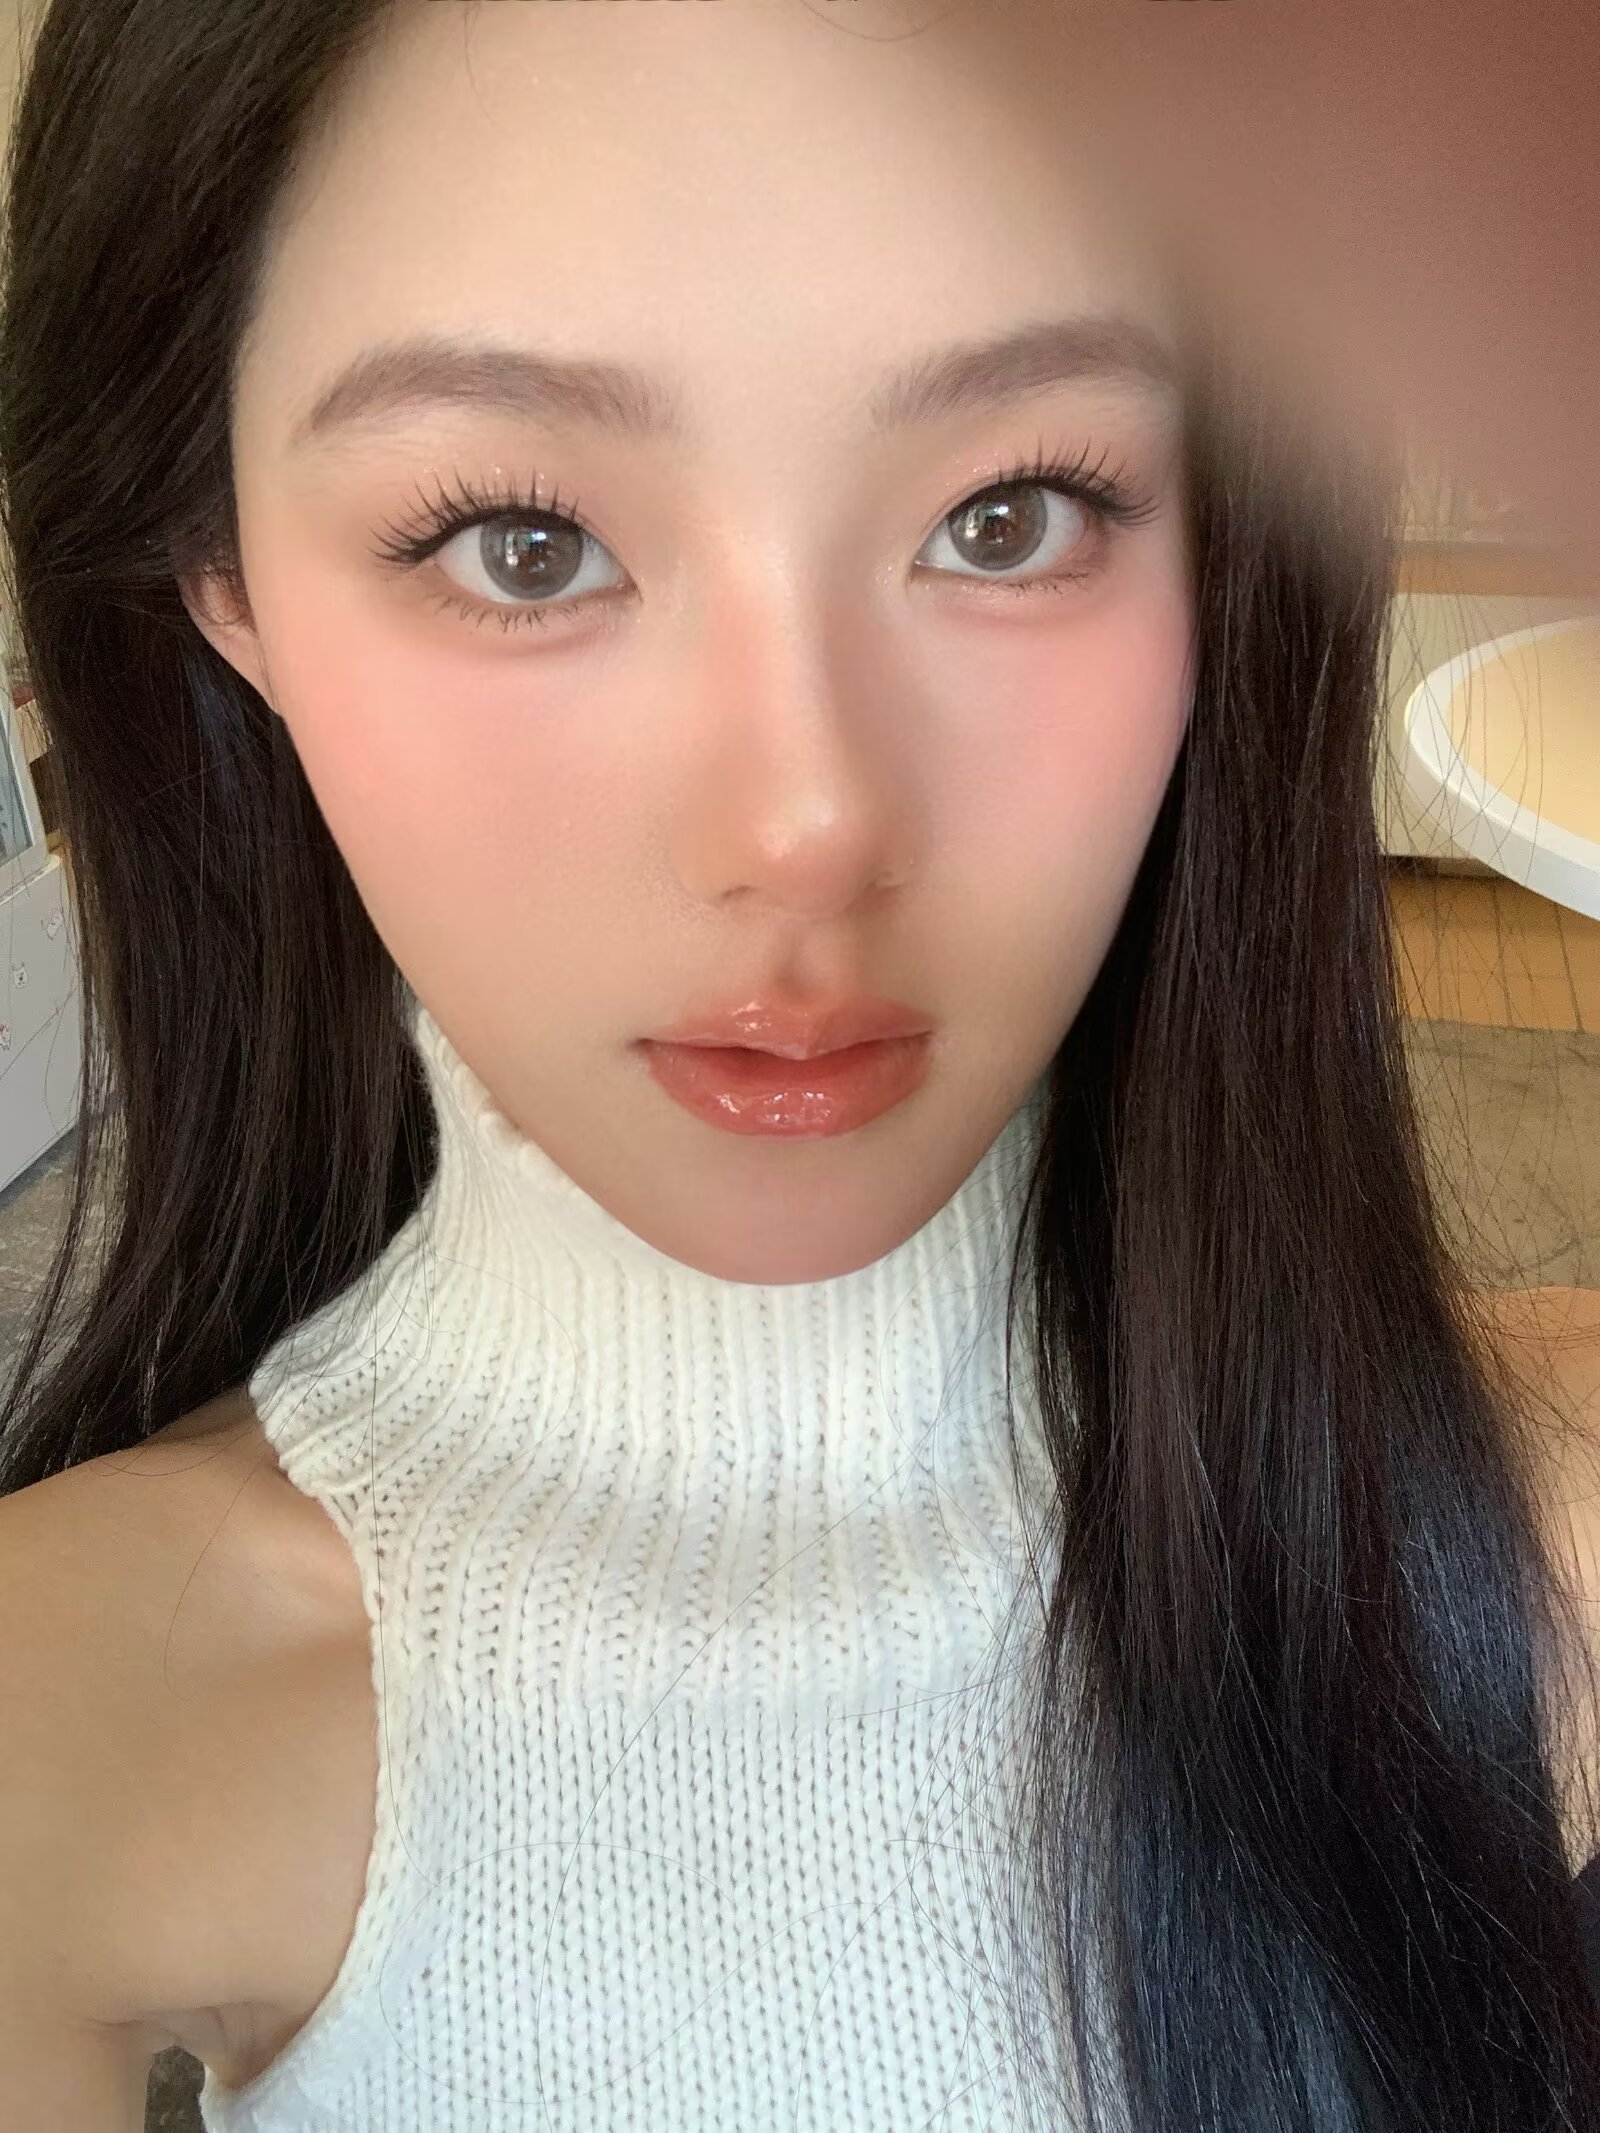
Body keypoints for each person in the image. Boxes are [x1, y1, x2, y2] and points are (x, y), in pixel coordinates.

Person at [0, 2, 1596, 2129]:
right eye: (523, 543)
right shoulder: (67, 1724)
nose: (808, 821)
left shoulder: (1535, 1534)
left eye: (1011, 515)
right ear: (229, 589)